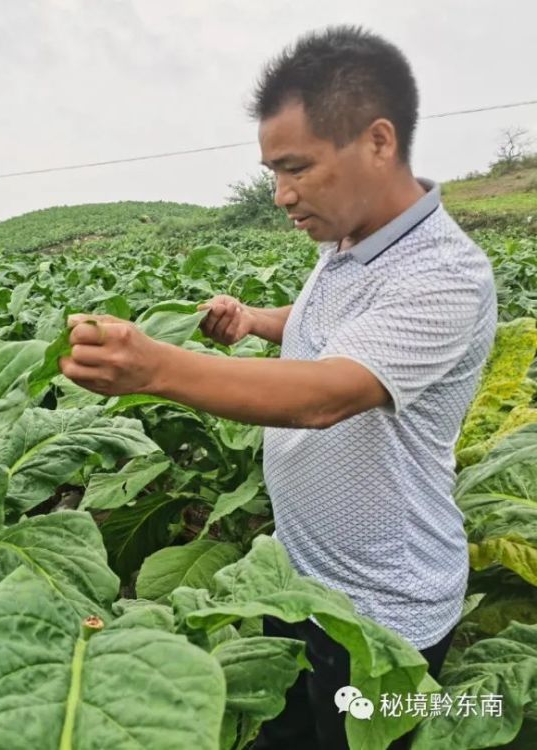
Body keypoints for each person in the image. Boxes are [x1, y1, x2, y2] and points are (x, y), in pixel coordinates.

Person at [58, 25, 497, 750]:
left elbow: (328, 393)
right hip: (296, 580)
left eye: (297, 168)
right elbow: (333, 324)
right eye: (272, 172)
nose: (281, 195)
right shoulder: (347, 241)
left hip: (382, 619)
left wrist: (154, 368)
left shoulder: (445, 273)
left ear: (378, 142)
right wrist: (257, 320)